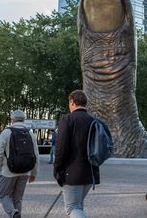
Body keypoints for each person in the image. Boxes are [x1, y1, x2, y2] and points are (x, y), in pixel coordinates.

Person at [54, 90, 97, 218]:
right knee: (78, 206)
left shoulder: (67, 119)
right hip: (90, 172)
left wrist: (57, 169)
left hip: (72, 174)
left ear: (72, 102)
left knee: (72, 209)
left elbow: (61, 148)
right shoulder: (94, 121)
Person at [0, 110, 39, 218]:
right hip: (26, 171)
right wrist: (34, 173)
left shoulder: (6, 132)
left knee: (4, 195)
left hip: (9, 171)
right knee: (17, 199)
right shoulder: (30, 133)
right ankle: (16, 213)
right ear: (24, 120)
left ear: (12, 120)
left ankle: (13, 213)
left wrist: (1, 165)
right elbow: (36, 155)